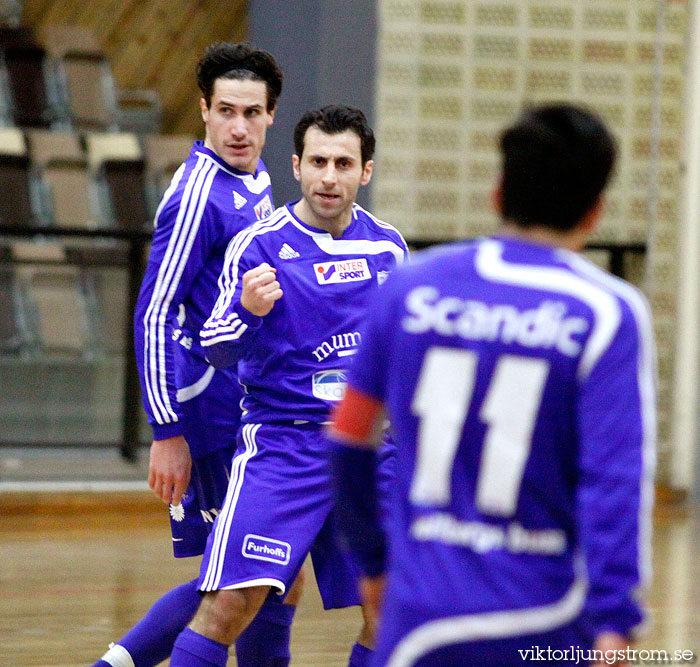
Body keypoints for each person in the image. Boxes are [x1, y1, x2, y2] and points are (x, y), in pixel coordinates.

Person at [330, 103, 657, 666]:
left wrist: (374, 563)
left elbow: (347, 436)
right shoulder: (606, 314)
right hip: (546, 621)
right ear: (595, 210)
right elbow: (614, 481)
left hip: (419, 614)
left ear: (498, 191)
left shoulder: (409, 289)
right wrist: (615, 618)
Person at [167, 105, 409, 667]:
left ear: (365, 172)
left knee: (391, 610)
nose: (329, 176)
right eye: (318, 161)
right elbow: (217, 349)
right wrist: (248, 311)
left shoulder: (390, 249)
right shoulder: (259, 245)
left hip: (373, 450)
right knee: (229, 604)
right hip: (284, 446)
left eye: (344, 163)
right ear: (296, 166)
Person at [92, 42, 302, 667]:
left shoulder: (257, 178)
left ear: (271, 117)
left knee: (272, 571)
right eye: (227, 111)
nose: (240, 127)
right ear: (205, 111)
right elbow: (154, 311)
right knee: (241, 577)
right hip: (206, 411)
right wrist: (167, 431)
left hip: (246, 405)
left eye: (253, 113)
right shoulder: (196, 195)